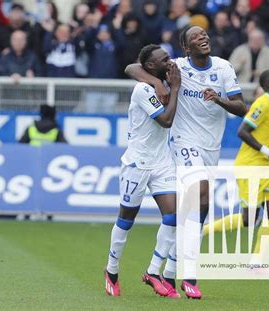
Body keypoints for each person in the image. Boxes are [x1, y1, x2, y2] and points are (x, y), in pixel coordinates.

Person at [125, 25, 246, 299]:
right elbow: (131, 68)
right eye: (195, 37)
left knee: (193, 210)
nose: (203, 37)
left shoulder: (224, 69)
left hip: (211, 147)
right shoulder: (176, 67)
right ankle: (188, 274)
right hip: (183, 142)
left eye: (205, 33)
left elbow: (242, 107)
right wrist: (157, 82)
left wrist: (219, 100)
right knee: (200, 196)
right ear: (187, 48)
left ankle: (164, 271)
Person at [104, 44, 181, 298]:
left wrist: (166, 83)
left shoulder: (164, 78)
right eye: (164, 59)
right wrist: (173, 87)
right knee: (126, 220)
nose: (170, 62)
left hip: (162, 162)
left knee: (173, 215)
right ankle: (112, 270)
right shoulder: (142, 89)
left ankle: (153, 271)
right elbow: (166, 120)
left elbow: (133, 67)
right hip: (137, 163)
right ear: (150, 66)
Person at [202, 69, 269, 262]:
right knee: (249, 220)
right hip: (249, 166)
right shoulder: (263, 103)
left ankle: (256, 262)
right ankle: (202, 230)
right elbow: (242, 131)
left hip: (264, 167)